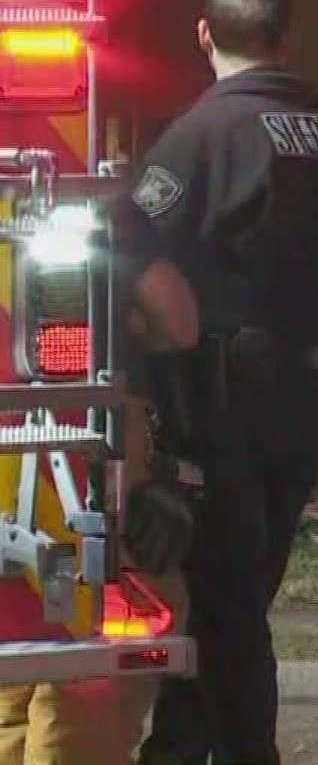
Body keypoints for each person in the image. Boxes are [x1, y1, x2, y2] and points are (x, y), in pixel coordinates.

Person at [130, 0, 318, 765]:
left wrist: (152, 383)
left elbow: (129, 246)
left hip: (223, 403)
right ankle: (174, 752)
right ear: (287, 35)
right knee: (233, 597)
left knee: (229, 612)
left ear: (206, 35)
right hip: (302, 404)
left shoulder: (203, 136)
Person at [0, 209, 203, 764]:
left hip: (20, 566)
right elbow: (178, 316)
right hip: (98, 525)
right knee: (79, 719)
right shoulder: (85, 207)